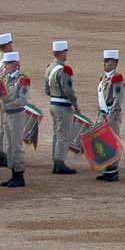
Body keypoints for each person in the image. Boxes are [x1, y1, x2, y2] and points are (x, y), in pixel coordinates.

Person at [0, 50, 31, 187]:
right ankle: (13, 173)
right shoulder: (4, 78)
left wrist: (6, 105)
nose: (6, 66)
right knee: (8, 145)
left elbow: (22, 100)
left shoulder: (22, 79)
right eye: (5, 63)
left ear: (16, 63)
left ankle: (19, 174)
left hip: (16, 114)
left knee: (16, 145)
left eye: (9, 63)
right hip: (6, 114)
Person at [46, 40, 79, 175]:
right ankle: (60, 162)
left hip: (53, 103)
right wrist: (75, 104)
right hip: (62, 105)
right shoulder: (63, 70)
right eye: (65, 52)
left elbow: (46, 90)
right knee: (63, 134)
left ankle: (56, 159)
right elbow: (68, 90)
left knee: (56, 133)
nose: (67, 54)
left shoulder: (49, 68)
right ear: (61, 53)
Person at [95, 48, 124, 183]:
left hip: (111, 115)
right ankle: (107, 169)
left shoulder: (117, 79)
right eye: (105, 61)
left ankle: (113, 171)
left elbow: (118, 99)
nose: (105, 64)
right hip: (103, 114)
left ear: (115, 63)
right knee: (104, 143)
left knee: (112, 142)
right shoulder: (104, 78)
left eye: (108, 61)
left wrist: (111, 116)